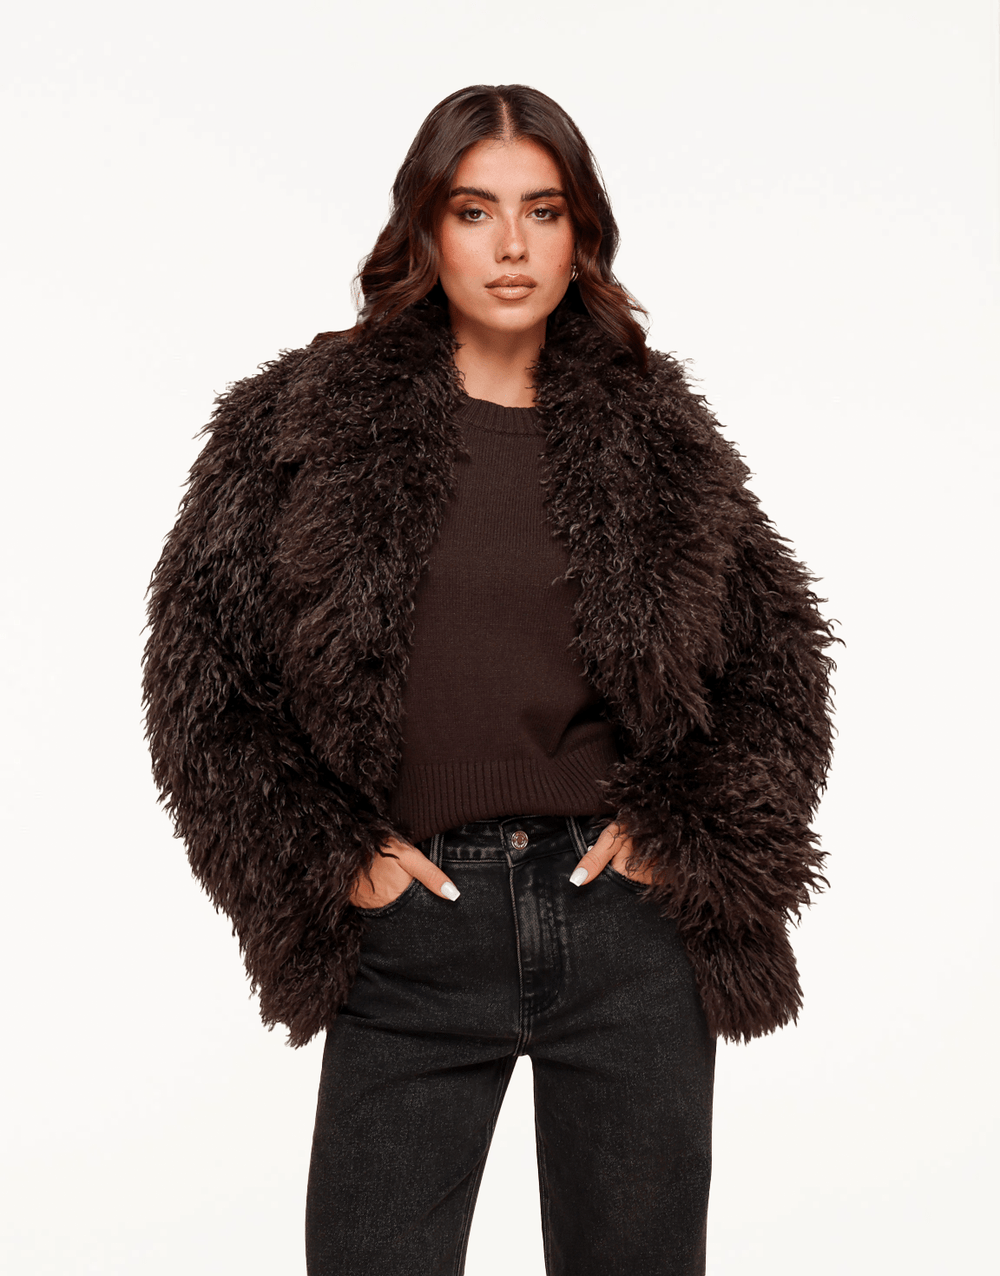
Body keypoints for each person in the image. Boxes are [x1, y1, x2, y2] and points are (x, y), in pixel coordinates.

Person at [142, 83, 836, 1276]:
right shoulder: (300, 423)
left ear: (580, 233)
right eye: (474, 211)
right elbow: (199, 680)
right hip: (412, 931)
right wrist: (324, 858)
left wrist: (688, 828)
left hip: (625, 932)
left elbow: (779, 661)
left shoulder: (656, 434)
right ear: (424, 227)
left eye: (541, 210)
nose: (511, 245)